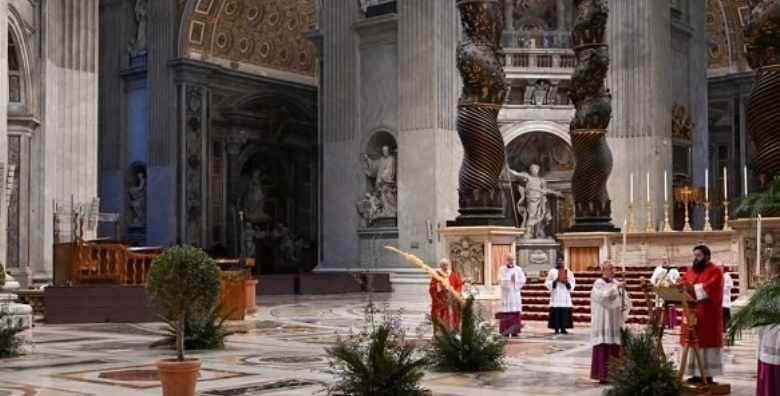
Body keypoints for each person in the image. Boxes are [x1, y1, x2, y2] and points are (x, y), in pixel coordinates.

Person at [679, 245, 724, 384]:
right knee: (691, 342)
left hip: (708, 314)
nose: (695, 258)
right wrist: (678, 285)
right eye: (694, 255)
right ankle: (694, 373)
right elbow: (683, 282)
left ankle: (707, 374)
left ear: (707, 257)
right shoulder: (691, 270)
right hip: (691, 312)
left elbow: (712, 288)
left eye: (698, 255)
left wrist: (693, 287)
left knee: (705, 342)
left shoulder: (715, 271)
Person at [590, 260, 631, 384]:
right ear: (603, 270)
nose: (613, 271)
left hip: (615, 319)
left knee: (616, 344)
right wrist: (616, 288)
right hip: (604, 319)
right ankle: (603, 375)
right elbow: (602, 297)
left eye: (614, 268)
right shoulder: (598, 283)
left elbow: (625, 298)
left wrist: (625, 305)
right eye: (611, 268)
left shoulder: (617, 283)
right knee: (604, 344)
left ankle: (616, 374)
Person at [429, 258, 463, 334]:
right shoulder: (436, 274)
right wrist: (439, 286)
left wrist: (457, 292)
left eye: (447, 265)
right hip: (441, 299)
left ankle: (454, 331)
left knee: (454, 314)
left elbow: (458, 284)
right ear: (440, 265)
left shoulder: (452, 274)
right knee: (442, 316)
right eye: (444, 265)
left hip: (452, 298)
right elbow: (432, 287)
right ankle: (442, 333)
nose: (446, 266)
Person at [497, 253, 526, 337]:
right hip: (506, 294)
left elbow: (523, 280)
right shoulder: (502, 269)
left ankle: (515, 331)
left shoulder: (518, 269)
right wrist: (509, 279)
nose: (511, 261)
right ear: (506, 260)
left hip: (515, 293)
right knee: (506, 313)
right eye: (509, 259)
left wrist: (516, 280)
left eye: (512, 259)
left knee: (515, 312)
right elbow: (500, 280)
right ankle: (505, 331)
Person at [650, 254, 681, 329]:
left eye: (665, 259)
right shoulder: (658, 269)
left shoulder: (673, 269)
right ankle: (660, 324)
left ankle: (671, 324)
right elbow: (652, 279)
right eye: (663, 259)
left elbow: (679, 280)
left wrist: (672, 281)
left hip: (670, 290)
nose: (664, 261)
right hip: (660, 290)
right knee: (660, 306)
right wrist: (656, 281)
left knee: (670, 306)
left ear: (668, 260)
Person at [545, 261, 575, 334]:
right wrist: (555, 281)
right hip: (556, 294)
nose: (561, 264)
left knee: (564, 311)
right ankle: (556, 328)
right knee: (556, 311)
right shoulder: (552, 271)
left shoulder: (568, 271)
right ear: (556, 263)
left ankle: (563, 328)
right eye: (559, 262)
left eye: (562, 262)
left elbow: (573, 282)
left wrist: (567, 283)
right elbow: (547, 282)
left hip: (565, 294)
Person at [718, 262, 733, 332]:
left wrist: (721, 288)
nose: (718, 268)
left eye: (720, 267)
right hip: (718, 299)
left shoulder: (727, 276)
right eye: (717, 267)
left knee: (725, 314)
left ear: (722, 267)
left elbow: (730, 285)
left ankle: (726, 329)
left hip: (725, 298)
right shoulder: (716, 275)